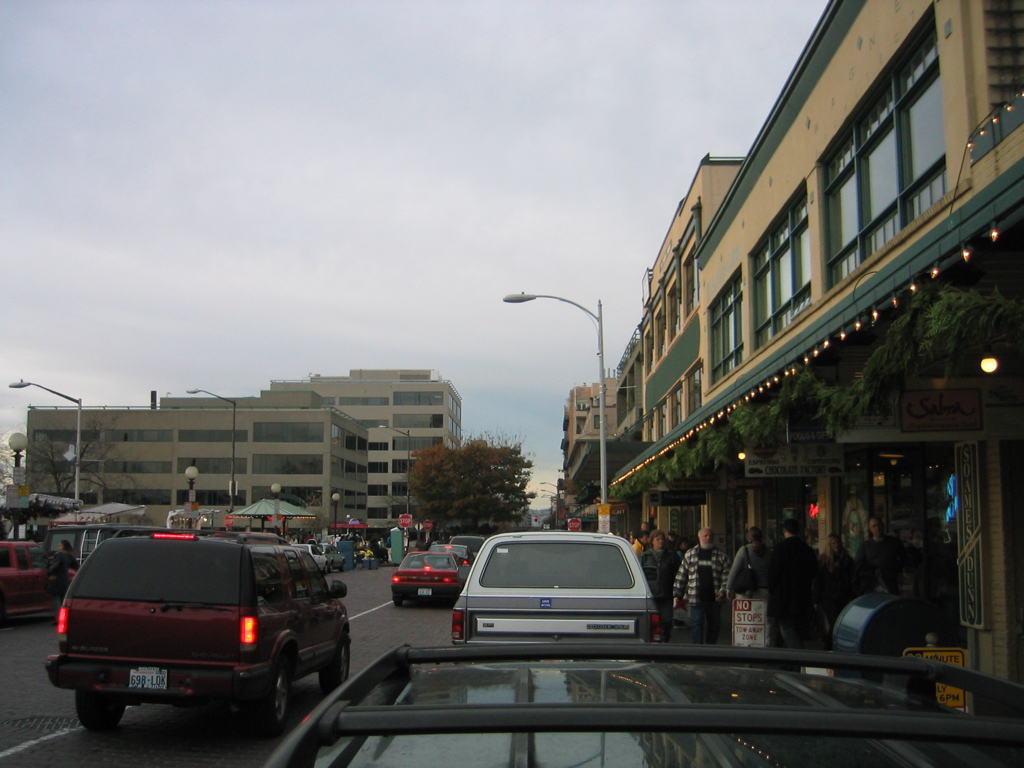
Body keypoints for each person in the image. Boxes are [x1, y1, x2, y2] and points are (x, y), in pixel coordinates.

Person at [767, 518, 818, 649]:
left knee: (787, 628)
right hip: (802, 597)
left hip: (784, 598)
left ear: (785, 531)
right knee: (798, 628)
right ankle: (793, 659)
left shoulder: (780, 549)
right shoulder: (807, 550)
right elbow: (814, 573)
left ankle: (798, 658)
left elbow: (773, 574)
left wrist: (772, 590)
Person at [673, 527, 728, 644]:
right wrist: (678, 592)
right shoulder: (690, 554)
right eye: (705, 536)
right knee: (696, 625)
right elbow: (682, 574)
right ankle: (698, 651)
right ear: (699, 538)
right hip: (696, 598)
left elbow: (726, 576)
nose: (708, 538)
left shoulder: (721, 556)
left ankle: (711, 650)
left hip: (715, 600)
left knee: (714, 626)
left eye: (710, 536)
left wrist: (723, 590)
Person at [815, 532, 855, 646]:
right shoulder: (824, 561)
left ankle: (833, 644)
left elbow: (851, 578)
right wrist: (816, 599)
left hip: (843, 595)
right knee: (834, 621)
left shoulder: (847, 560)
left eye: (837, 542)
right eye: (833, 543)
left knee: (841, 622)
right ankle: (829, 644)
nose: (836, 545)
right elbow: (818, 581)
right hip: (828, 596)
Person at [640, 529, 681, 641]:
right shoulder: (645, 556)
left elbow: (678, 574)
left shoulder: (672, 556)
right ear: (652, 541)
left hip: (667, 593)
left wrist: (678, 591)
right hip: (651, 594)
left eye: (662, 539)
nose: (660, 541)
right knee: (651, 621)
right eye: (657, 539)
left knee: (667, 620)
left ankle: (665, 639)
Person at [855, 516, 908, 595]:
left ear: (883, 526)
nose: (877, 528)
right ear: (870, 528)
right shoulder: (865, 546)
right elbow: (858, 565)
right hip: (873, 585)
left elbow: (904, 559)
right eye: (874, 526)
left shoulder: (894, 543)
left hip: (891, 583)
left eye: (879, 525)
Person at [46, 540, 78, 622]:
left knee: (56, 599)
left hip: (56, 579)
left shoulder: (59, 555)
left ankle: (58, 618)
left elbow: (55, 566)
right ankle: (65, 617)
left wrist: (49, 571)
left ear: (64, 546)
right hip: (65, 579)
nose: (58, 547)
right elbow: (76, 566)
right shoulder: (70, 556)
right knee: (63, 599)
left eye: (60, 545)